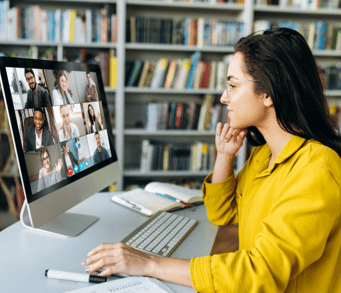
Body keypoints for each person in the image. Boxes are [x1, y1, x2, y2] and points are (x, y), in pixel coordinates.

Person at [82, 28, 341, 292]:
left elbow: (259, 272)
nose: (223, 97)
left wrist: (150, 264)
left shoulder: (317, 169)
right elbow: (222, 214)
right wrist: (225, 157)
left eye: (233, 85)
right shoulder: (265, 155)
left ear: (268, 94)